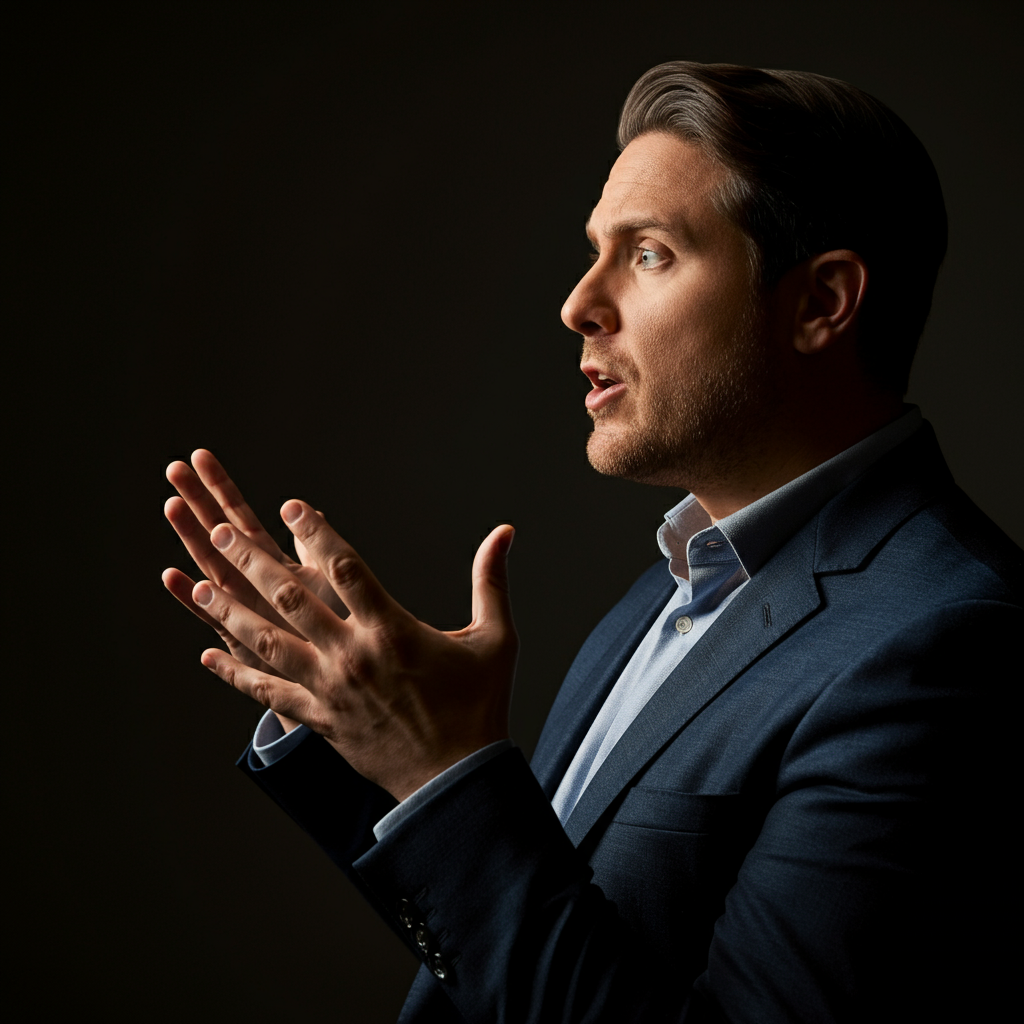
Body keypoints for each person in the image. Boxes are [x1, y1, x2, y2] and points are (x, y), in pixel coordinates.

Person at [164, 62, 1021, 1022]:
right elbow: (532, 940)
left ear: (822, 303)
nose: (579, 304)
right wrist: (368, 729)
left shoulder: (948, 642)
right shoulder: (681, 585)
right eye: (593, 251)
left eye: (649, 253)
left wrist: (437, 772)